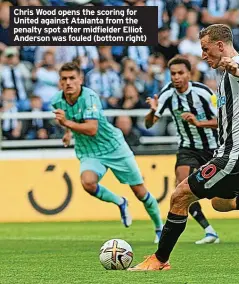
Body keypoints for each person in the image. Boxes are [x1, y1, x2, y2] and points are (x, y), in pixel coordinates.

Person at [128, 24, 239, 272]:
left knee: (179, 195)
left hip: (235, 155)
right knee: (221, 203)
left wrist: (236, 67)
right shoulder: (224, 75)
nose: (203, 55)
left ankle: (160, 259)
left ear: (220, 45)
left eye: (205, 49)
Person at [51, 62, 163, 243]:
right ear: (60, 82)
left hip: (113, 146)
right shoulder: (56, 100)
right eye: (64, 79)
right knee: (87, 183)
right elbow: (69, 119)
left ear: (81, 79)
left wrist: (67, 125)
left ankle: (159, 227)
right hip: (89, 151)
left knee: (140, 191)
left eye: (72, 78)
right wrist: (67, 133)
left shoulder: (90, 97)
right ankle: (120, 202)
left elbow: (92, 128)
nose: (68, 82)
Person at [144, 55, 221, 245]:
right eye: (173, 74)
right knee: (181, 187)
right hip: (187, 147)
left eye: (180, 73)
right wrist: (153, 111)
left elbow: (222, 122)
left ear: (189, 74)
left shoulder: (203, 93)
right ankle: (209, 231)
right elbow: (148, 124)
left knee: (222, 198)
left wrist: (199, 122)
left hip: (212, 148)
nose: (176, 77)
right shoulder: (167, 94)